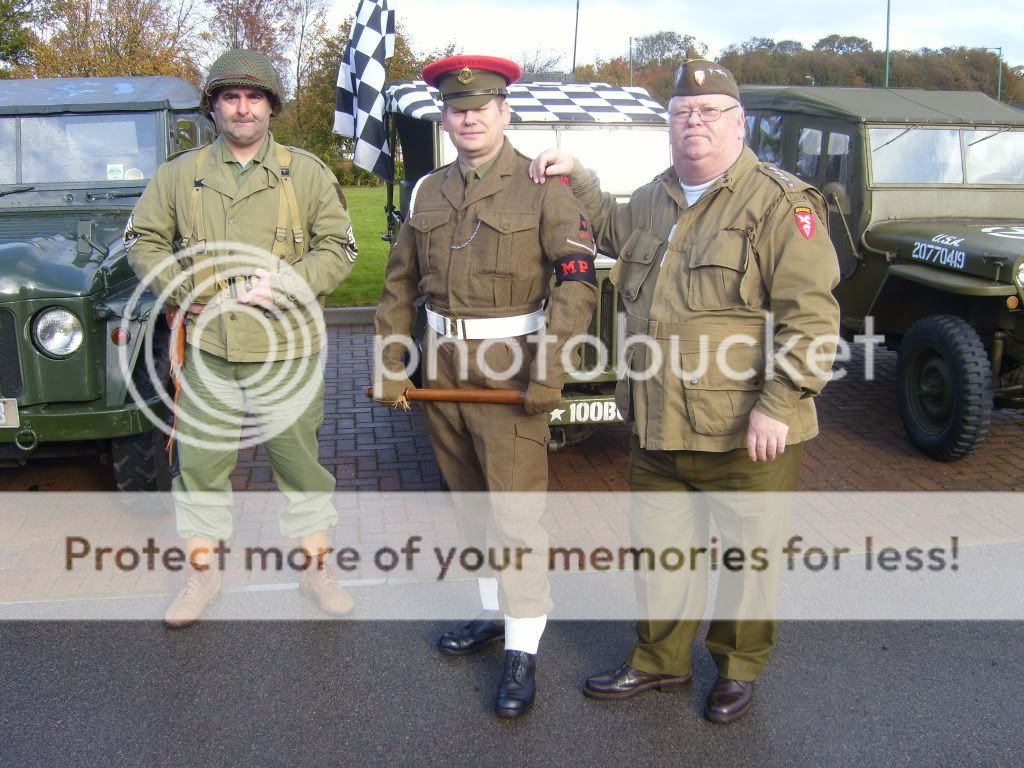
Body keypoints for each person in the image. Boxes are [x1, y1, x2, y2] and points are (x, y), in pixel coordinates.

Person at [529, 59, 841, 723]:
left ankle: (738, 668)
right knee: (661, 553)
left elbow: (812, 317)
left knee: (748, 564)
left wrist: (780, 405)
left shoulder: (783, 204)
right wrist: (575, 174)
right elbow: (611, 227)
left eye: (709, 112)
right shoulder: (657, 196)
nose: (694, 123)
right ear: (669, 126)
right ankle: (659, 660)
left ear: (738, 123)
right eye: (681, 113)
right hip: (657, 421)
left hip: (744, 429)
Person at [373, 55, 598, 717]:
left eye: (482, 106)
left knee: (515, 515)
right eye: (457, 107)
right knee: (470, 503)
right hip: (442, 368)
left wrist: (549, 370)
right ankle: (492, 613)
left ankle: (523, 647)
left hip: (510, 369)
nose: (469, 117)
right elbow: (397, 289)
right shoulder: (427, 193)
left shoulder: (546, 188)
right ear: (445, 116)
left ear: (504, 111)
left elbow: (578, 283)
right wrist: (392, 367)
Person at [125, 49, 358, 628]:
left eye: (254, 97)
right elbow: (143, 242)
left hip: (288, 350)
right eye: (230, 97)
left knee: (301, 467)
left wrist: (288, 284)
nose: (242, 108)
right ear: (214, 107)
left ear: (271, 107)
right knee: (201, 469)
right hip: (207, 349)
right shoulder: (180, 174)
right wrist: (183, 288)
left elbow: (340, 247)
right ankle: (201, 576)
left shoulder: (305, 172)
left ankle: (316, 568)